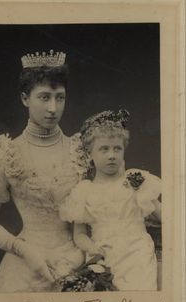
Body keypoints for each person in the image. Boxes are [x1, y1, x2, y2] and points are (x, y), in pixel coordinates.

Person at [0, 50, 88, 292]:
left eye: (60, 98)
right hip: (25, 265)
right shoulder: (5, 153)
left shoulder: (81, 150)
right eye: (44, 97)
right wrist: (24, 250)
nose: (53, 108)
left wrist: (81, 257)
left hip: (76, 264)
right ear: (25, 98)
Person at [59, 109, 161, 290]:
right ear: (90, 154)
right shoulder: (84, 191)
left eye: (117, 148)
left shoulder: (133, 180)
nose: (112, 155)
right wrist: (93, 249)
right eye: (104, 149)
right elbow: (79, 235)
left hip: (138, 255)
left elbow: (164, 216)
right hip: (104, 256)